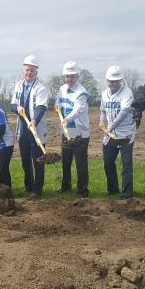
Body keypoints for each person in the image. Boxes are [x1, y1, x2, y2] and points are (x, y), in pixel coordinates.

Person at [10, 55, 49, 199]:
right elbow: (12, 105)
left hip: (36, 128)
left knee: (38, 160)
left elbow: (41, 107)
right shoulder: (18, 85)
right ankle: (29, 186)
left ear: (36, 72)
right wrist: (17, 108)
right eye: (27, 70)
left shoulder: (41, 88)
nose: (29, 73)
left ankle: (37, 191)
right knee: (25, 159)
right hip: (22, 129)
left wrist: (35, 120)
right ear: (23, 71)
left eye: (32, 70)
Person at [98, 65, 137, 199]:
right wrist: (102, 122)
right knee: (108, 162)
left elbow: (124, 112)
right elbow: (102, 110)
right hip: (110, 135)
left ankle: (127, 194)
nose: (112, 83)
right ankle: (113, 189)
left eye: (115, 81)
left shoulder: (127, 93)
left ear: (120, 80)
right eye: (110, 81)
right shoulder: (104, 94)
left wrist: (110, 127)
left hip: (126, 134)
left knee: (126, 164)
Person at [55, 61, 90, 198]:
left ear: (77, 76)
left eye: (72, 76)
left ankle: (82, 191)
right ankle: (66, 187)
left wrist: (67, 118)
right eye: (67, 76)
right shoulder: (62, 88)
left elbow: (77, 110)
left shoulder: (82, 93)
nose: (69, 79)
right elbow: (58, 101)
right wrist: (57, 106)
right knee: (66, 162)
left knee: (81, 165)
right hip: (66, 133)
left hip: (80, 135)